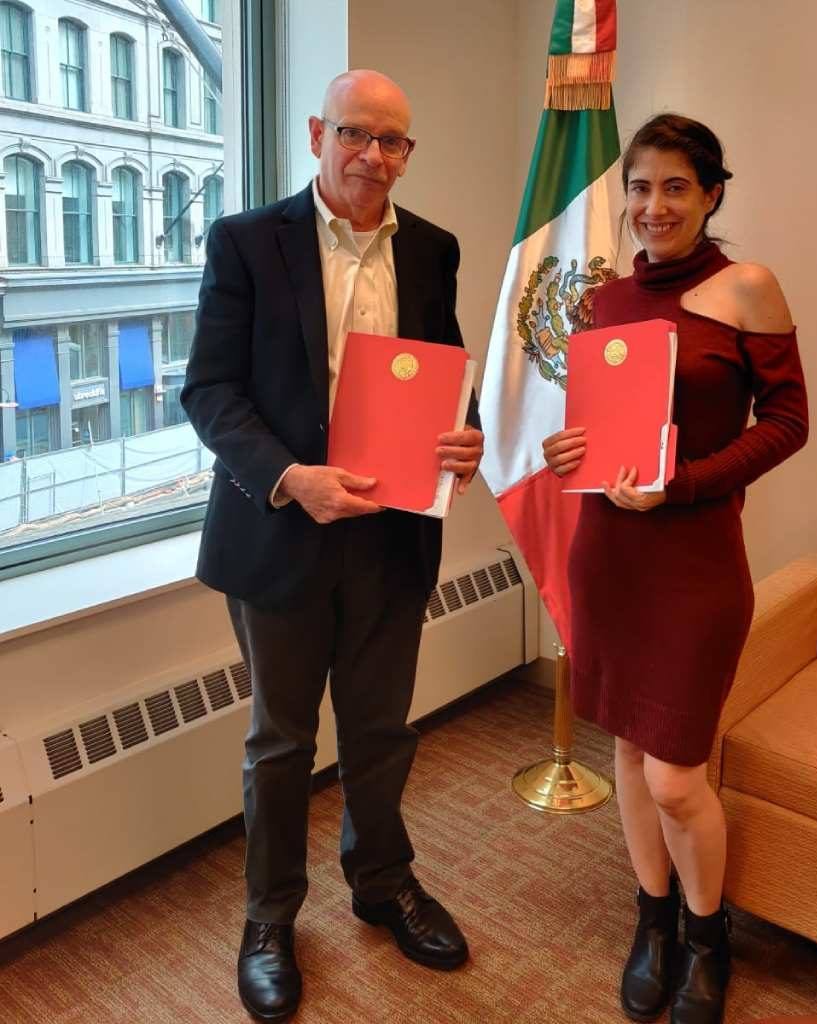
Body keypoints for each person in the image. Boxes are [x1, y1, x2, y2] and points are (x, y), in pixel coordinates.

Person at [181, 69, 484, 1023]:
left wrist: (462, 436)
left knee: (383, 730)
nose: (374, 157)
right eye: (356, 134)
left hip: (393, 538)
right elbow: (210, 392)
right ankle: (271, 917)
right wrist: (290, 478)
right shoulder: (245, 242)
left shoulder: (433, 249)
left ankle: (381, 880)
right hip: (281, 533)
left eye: (393, 142)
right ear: (318, 132)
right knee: (280, 743)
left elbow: (448, 373)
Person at [542, 113, 809, 1024]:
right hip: (606, 556)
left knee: (675, 775)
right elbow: (598, 432)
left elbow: (787, 423)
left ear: (712, 195)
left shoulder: (747, 289)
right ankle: (649, 920)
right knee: (623, 746)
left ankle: (706, 933)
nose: (653, 206)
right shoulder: (605, 300)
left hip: (693, 560)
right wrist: (566, 449)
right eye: (640, 188)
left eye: (675, 188)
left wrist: (687, 482)